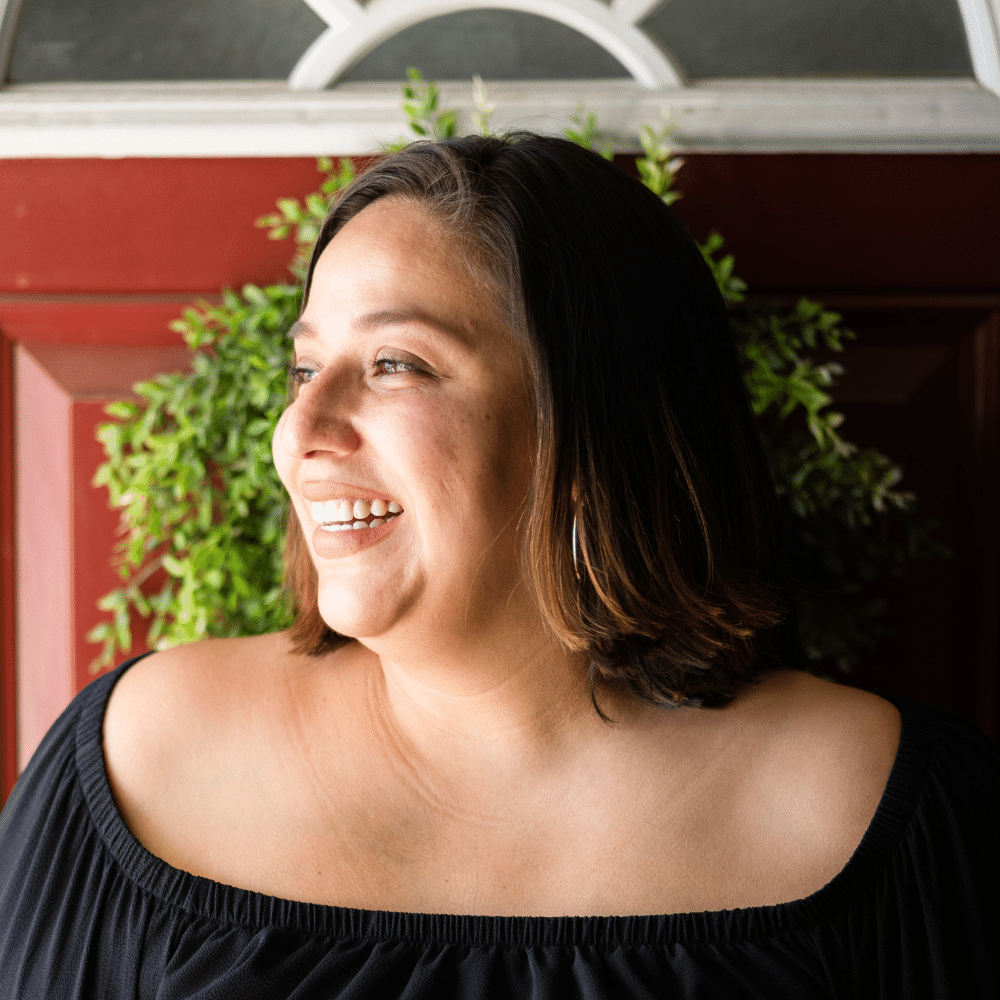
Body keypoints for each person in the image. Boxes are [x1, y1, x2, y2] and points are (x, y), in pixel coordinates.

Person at [1, 133, 997, 998]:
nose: (299, 428)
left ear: (591, 435)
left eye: (396, 363)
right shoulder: (143, 763)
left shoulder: (883, 811)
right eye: (305, 367)